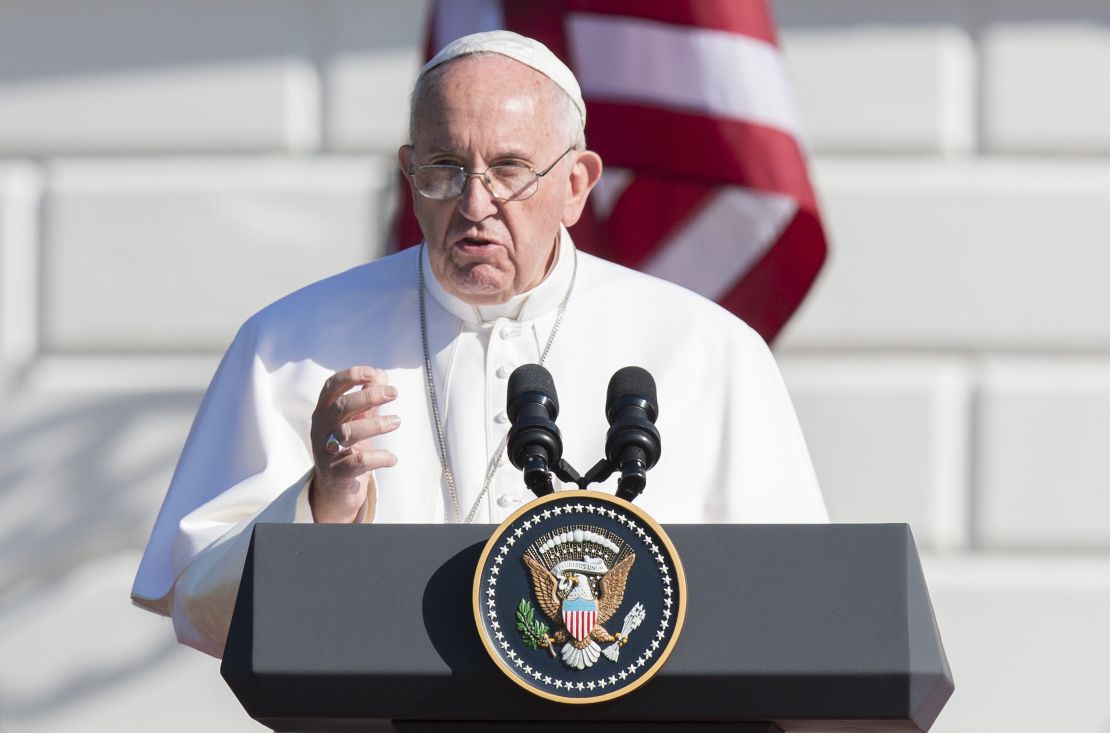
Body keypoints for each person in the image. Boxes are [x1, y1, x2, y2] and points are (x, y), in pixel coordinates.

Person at [131, 30, 828, 658]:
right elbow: (200, 608)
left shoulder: (708, 350)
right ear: (409, 175)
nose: (474, 203)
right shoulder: (291, 343)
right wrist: (320, 504)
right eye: (444, 168)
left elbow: (799, 603)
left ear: (576, 183)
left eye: (509, 169)